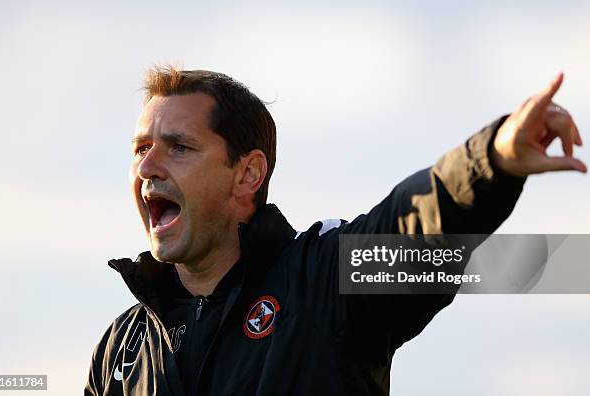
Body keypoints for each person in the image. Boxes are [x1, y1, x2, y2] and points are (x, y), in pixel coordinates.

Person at [84, 65, 585, 395]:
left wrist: (492, 160)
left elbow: (413, 227)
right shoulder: (118, 352)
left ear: (247, 175)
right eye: (139, 148)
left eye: (178, 147)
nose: (148, 165)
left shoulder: (323, 283)